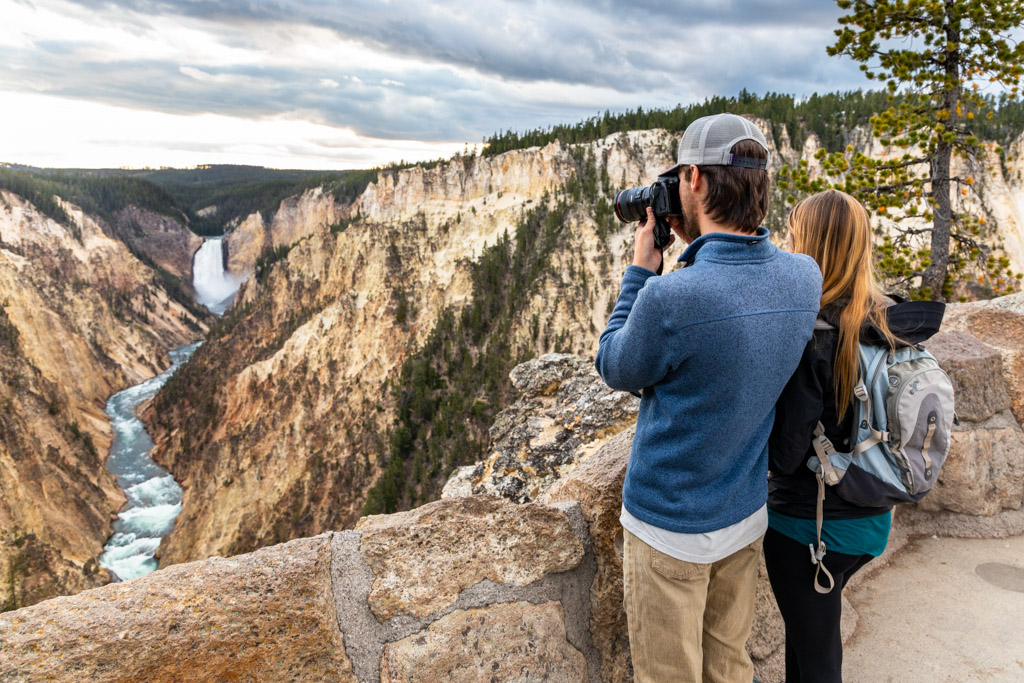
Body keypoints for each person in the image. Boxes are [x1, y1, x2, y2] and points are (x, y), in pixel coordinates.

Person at [595, 112, 823, 683]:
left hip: (669, 525)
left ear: (694, 179)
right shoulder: (804, 277)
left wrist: (640, 273)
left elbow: (616, 365)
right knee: (729, 665)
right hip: (744, 514)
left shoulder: (673, 297)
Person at [766, 189, 944, 683]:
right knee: (809, 640)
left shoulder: (815, 335)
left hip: (809, 528)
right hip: (870, 522)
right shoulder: (891, 322)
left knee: (819, 659)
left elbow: (783, 457)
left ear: (810, 246)